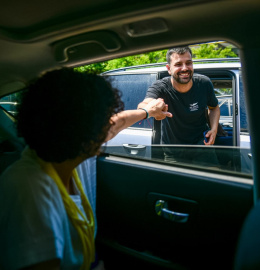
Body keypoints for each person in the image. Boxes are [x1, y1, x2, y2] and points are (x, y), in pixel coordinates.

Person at [0, 68, 172, 270]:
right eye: (102, 120)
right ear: (80, 127)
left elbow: (118, 122)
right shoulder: (28, 188)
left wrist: (147, 112)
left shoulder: (71, 151)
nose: (107, 127)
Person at [137, 46, 220, 166]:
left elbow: (214, 108)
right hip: (173, 151)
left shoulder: (204, 83)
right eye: (178, 64)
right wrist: (150, 110)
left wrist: (214, 130)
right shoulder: (161, 87)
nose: (185, 68)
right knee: (178, 184)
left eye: (188, 63)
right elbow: (144, 104)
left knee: (211, 182)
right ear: (169, 69)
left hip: (202, 145)